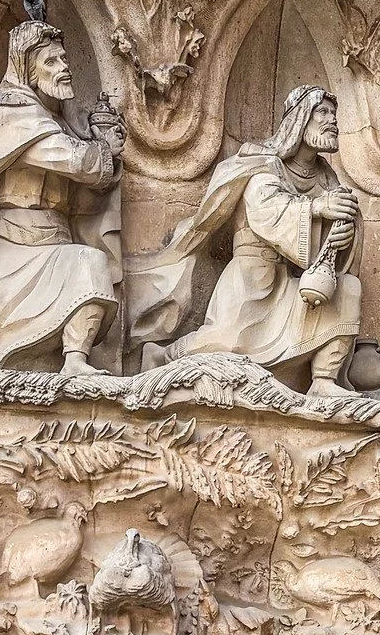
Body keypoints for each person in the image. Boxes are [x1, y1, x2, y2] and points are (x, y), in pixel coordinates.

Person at [128, 85, 363, 403]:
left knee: (348, 290)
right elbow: (266, 210)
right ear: (300, 119)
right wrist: (317, 208)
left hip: (292, 282)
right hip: (253, 277)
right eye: (322, 112)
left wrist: (342, 233)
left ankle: (323, 379)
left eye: (334, 113)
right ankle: (162, 356)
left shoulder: (326, 179)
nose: (332, 120)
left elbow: (330, 237)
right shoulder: (262, 163)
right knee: (227, 343)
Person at [0, 12, 124, 374]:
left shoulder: (61, 125)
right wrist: (103, 151)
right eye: (51, 62)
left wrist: (106, 153)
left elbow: (84, 198)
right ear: (28, 71)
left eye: (64, 59)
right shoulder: (11, 118)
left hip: (55, 249)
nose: (64, 68)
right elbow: (72, 161)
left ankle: (75, 361)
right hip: (12, 259)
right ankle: (68, 360)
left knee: (92, 263)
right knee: (89, 263)